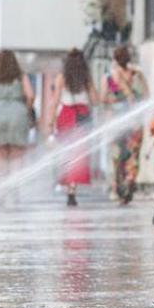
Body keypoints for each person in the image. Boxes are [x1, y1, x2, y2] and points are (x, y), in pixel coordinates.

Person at [0, 50, 35, 197]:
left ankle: (2, 191)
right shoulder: (20, 75)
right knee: (16, 156)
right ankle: (15, 190)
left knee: (0, 156)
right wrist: (26, 109)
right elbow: (30, 95)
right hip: (18, 114)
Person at [49, 49, 98, 206]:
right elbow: (96, 100)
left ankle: (67, 185)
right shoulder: (86, 79)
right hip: (82, 116)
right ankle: (72, 188)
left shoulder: (61, 78)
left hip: (66, 116)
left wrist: (50, 123)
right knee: (79, 154)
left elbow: (55, 101)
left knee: (67, 153)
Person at [101, 45, 148, 205]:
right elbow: (146, 96)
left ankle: (118, 187)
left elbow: (103, 99)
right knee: (132, 154)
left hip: (116, 122)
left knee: (116, 156)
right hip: (134, 121)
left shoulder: (109, 77)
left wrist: (113, 101)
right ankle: (129, 181)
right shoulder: (137, 74)